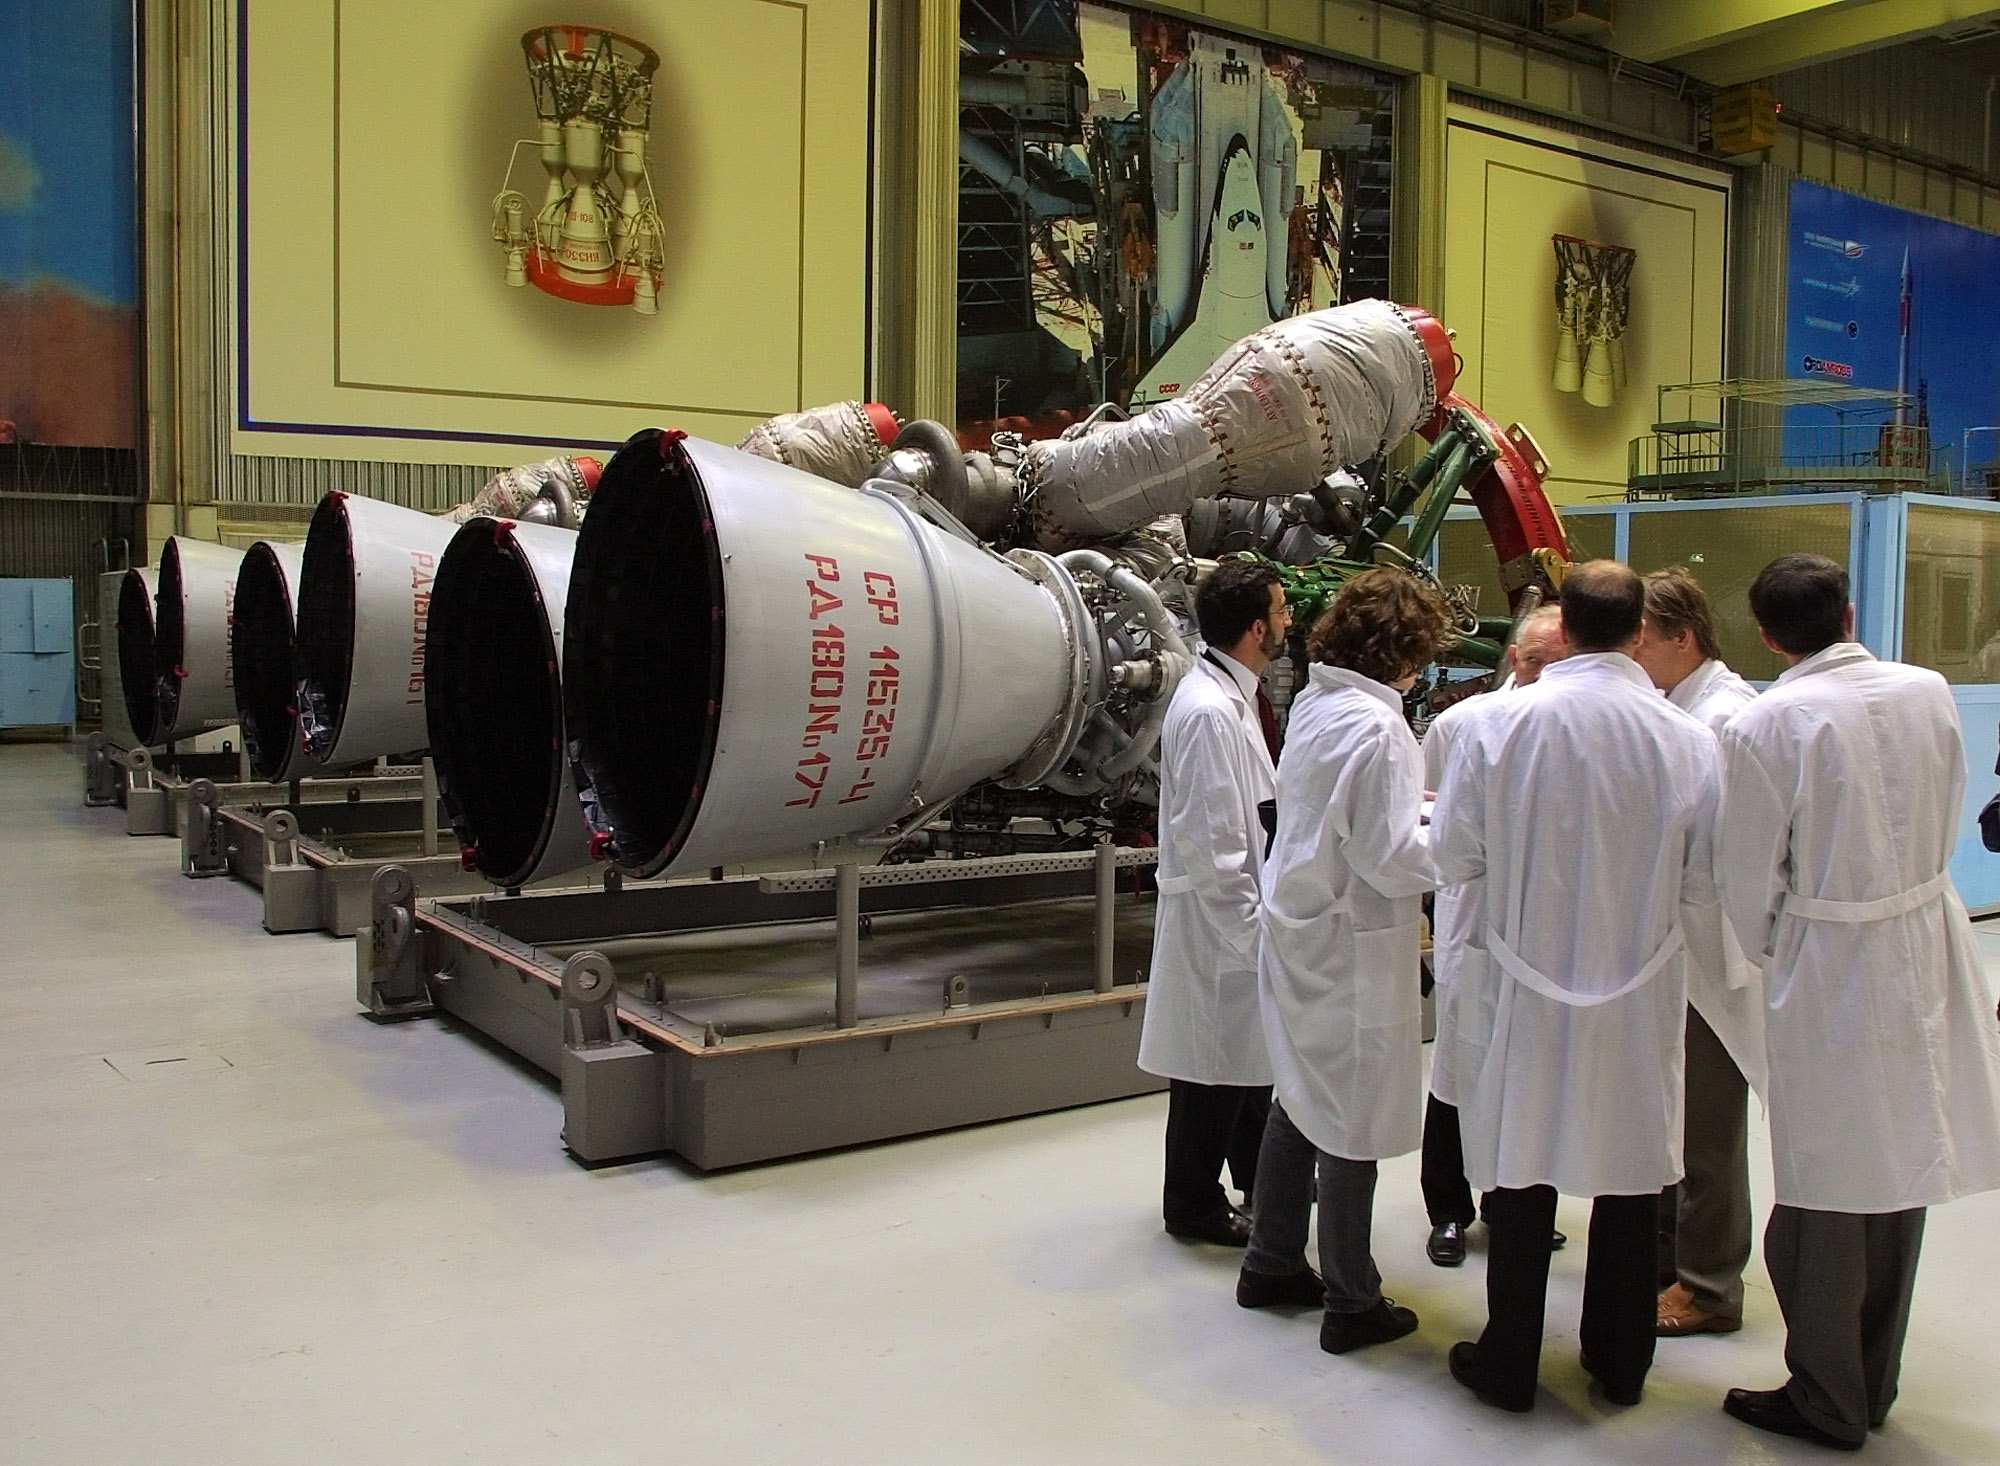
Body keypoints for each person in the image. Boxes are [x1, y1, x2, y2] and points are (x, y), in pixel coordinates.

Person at [1714, 553, 2000, 1450]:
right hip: (1924, 934)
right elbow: (1951, 800)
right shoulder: (1928, 690)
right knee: (1901, 1165)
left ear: (1767, 638)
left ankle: (1826, 1395)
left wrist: (1778, 946)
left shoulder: (1768, 722)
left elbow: (1746, 873)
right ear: (1848, 615)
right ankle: (1870, 1382)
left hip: (1831, 956)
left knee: (1827, 1183)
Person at [1433, 561, 1721, 1413]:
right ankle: (1621, 1362)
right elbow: (1704, 882)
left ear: (1566, 629)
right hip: (1639, 987)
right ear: (1639, 631)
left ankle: (1510, 1361)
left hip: (1525, 981)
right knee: (1629, 1178)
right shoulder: (1688, 739)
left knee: (1521, 1171)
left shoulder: (1497, 727)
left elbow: (1455, 856)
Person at [1235, 570, 1449, 1355]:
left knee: (1301, 1097)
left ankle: (1271, 1262)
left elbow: (1339, 813)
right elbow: (1390, 858)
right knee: (1351, 1117)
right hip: (1352, 942)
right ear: (1405, 653)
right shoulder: (1381, 728)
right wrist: (1462, 840)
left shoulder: (1317, 703)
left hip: (1300, 927)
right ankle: (1352, 1301)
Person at [1139, 558, 1291, 1247]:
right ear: (1257, 629)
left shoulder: (1233, 697)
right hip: (1220, 918)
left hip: (1234, 912)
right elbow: (1213, 841)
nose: (1289, 620)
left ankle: (1259, 1178)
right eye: (1282, 611)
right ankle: (1192, 1207)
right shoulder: (1208, 711)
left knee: (1239, 1066)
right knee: (1210, 1072)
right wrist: (1250, 928)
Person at [1629, 568, 1762, 1340]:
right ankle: (1670, 1261)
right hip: (1673, 951)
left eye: (1641, 640)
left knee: (1707, 1127)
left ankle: (1711, 1285)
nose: (1631, 655)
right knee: (1673, 1119)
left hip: (1709, 956)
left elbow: (1717, 855)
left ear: (1683, 639)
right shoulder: (1680, 706)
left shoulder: (1723, 717)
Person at [1420, 605, 1569, 1267]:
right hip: (1473, 919)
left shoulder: (1572, 727)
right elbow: (1429, 819)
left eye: (1560, 662)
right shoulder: (1462, 724)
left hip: (1543, 929)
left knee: (1532, 1079)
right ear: (1515, 658)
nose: (1546, 674)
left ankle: (1516, 1207)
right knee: (1457, 1069)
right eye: (1537, 661)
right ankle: (1448, 1210)